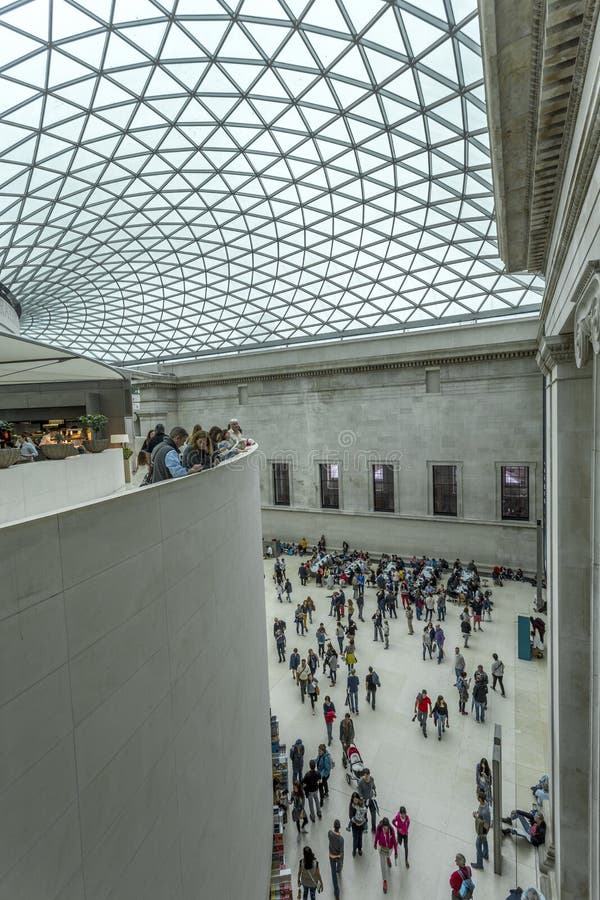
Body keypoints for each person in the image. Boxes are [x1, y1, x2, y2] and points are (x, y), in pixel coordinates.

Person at [374, 816, 398, 894]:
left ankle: (388, 858)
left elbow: (394, 841)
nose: (385, 829)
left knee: (388, 855)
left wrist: (396, 852)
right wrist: (375, 843)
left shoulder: (391, 830)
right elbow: (377, 836)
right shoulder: (379, 828)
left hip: (389, 849)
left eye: (386, 828)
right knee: (382, 865)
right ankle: (384, 881)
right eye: (384, 828)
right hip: (381, 848)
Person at [471, 792, 491, 869]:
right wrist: (477, 813)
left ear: (480, 798)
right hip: (483, 831)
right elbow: (480, 813)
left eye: (478, 797)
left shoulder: (485, 811)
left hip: (483, 831)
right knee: (484, 842)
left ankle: (479, 864)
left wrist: (476, 817)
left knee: (478, 845)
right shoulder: (483, 804)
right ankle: (485, 854)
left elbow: (486, 824)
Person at [328, 819, 344, 900]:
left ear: (334, 827)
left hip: (331, 856)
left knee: (333, 874)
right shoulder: (341, 839)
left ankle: (336, 893)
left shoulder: (330, 833)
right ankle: (339, 869)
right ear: (339, 827)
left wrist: (332, 855)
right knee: (339, 865)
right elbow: (341, 852)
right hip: (338, 856)